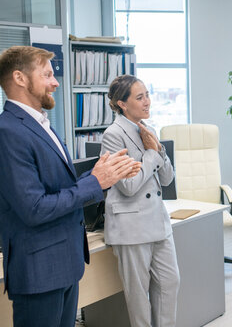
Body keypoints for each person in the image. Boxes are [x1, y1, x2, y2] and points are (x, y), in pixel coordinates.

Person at [0, 46, 139, 327]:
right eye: (47, 74)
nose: (56, 82)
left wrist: (101, 174)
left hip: (64, 263)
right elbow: (34, 208)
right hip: (39, 273)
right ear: (19, 78)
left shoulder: (41, 125)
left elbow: (57, 186)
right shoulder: (8, 132)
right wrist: (94, 182)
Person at [101, 74, 180, 327]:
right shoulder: (113, 135)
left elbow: (167, 179)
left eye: (147, 94)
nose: (147, 101)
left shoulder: (148, 129)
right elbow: (128, 186)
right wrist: (150, 153)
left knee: (170, 282)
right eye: (139, 97)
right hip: (131, 227)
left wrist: (156, 150)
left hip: (158, 223)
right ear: (122, 104)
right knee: (138, 297)